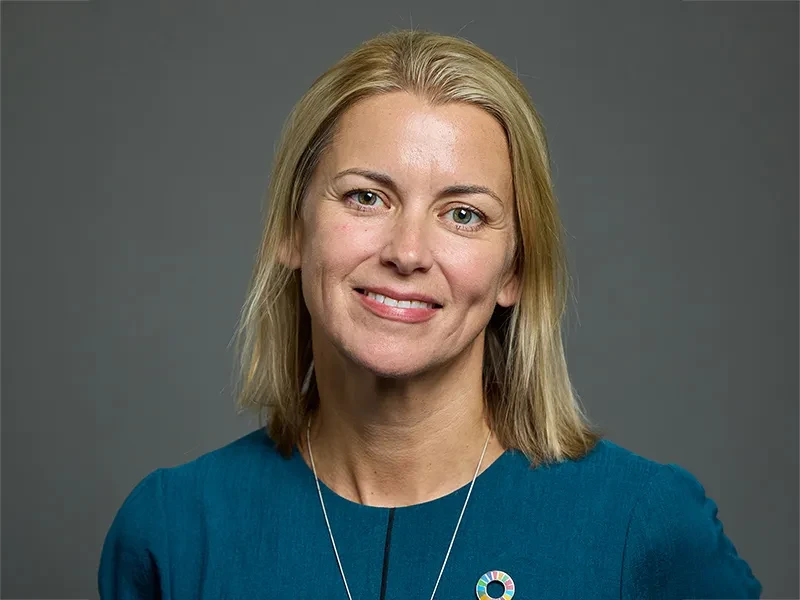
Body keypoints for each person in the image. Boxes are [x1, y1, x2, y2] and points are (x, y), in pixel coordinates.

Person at [98, 29, 762, 599]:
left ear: (515, 270)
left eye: (463, 214)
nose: (408, 252)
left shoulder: (644, 528)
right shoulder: (175, 533)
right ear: (292, 231)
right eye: (366, 197)